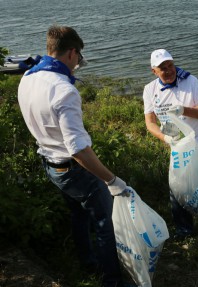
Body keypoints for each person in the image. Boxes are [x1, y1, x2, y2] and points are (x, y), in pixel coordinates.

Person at [18, 25, 129, 287]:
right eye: (79, 57)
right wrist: (112, 180)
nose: (79, 63)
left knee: (79, 215)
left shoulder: (28, 78)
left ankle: (88, 262)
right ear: (71, 53)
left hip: (50, 163)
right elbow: (78, 149)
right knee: (105, 222)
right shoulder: (64, 90)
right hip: (72, 168)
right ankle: (112, 281)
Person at [143, 49, 198, 239]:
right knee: (180, 185)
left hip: (197, 142)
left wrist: (184, 110)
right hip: (175, 145)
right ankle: (187, 227)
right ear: (154, 71)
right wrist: (166, 138)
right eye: (163, 68)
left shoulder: (191, 81)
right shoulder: (149, 90)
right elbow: (150, 123)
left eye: (170, 65)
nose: (169, 70)